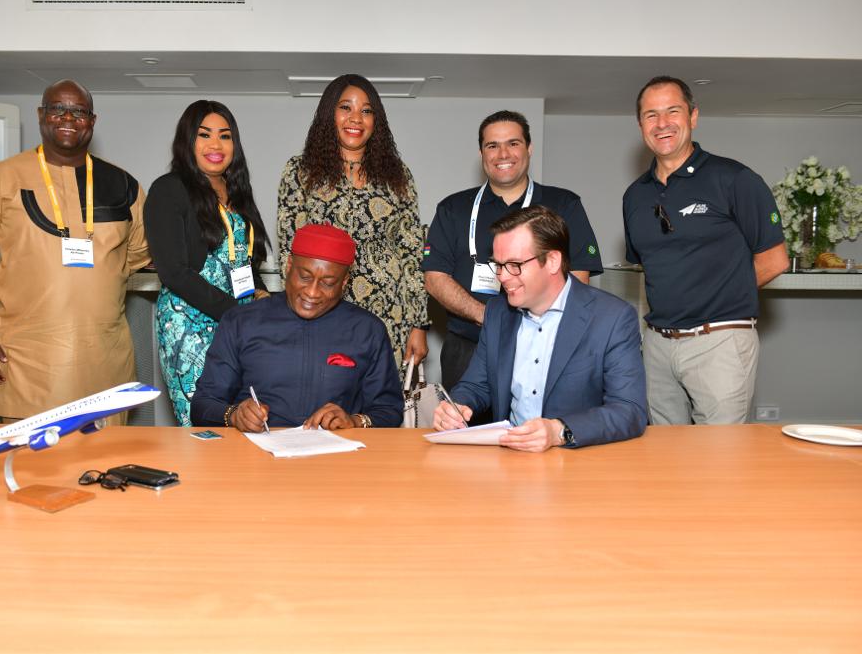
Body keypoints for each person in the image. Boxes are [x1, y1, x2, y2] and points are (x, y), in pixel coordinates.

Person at [0, 79, 150, 421]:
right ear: (42, 115)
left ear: (92, 121)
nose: (68, 118)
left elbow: (137, 253)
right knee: (32, 468)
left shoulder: (124, 185)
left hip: (104, 356)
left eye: (78, 111)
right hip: (29, 360)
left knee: (107, 467)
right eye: (58, 109)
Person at [623, 76, 789, 425]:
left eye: (673, 111)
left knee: (719, 461)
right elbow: (651, 269)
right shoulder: (634, 196)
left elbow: (774, 261)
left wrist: (713, 300)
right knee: (663, 458)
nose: (662, 123)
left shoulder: (734, 179)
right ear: (640, 125)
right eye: (651, 115)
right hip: (657, 346)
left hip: (719, 342)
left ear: (693, 116)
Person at [433, 207, 647, 451]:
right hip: (510, 460)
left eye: (514, 264)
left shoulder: (612, 318)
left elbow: (629, 410)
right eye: (498, 265)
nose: (502, 276)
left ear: (553, 261)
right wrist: (457, 406)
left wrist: (559, 431)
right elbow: (476, 385)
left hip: (579, 462)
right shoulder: (498, 313)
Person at [423, 110, 603, 394]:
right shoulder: (453, 209)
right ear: (481, 153)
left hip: (543, 348)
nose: (502, 153)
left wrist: (534, 325)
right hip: (468, 349)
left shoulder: (564, 204)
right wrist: (489, 318)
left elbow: (578, 278)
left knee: (537, 431)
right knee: (461, 434)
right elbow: (434, 278)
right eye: (492, 145)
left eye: (513, 143)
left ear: (529, 148)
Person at [276, 74, 429, 368]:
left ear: (376, 121)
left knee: (380, 405)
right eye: (345, 107)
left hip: (389, 315)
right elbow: (289, 251)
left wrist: (418, 324)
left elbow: (411, 254)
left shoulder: (398, 175)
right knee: (325, 400)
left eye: (366, 110)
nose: (356, 118)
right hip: (324, 309)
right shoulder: (300, 171)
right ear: (329, 114)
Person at [191, 224, 403, 432]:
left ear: (344, 282)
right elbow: (203, 405)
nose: (312, 292)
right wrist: (234, 415)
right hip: (255, 457)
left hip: (337, 458)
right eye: (305, 277)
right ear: (289, 265)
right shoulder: (241, 322)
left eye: (328, 283)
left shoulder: (367, 330)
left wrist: (355, 421)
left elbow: (390, 409)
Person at [144, 101, 271, 425]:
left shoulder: (238, 191)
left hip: (239, 323)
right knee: (203, 422)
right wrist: (236, 313)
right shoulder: (168, 189)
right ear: (188, 141)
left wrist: (260, 294)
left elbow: (242, 257)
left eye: (225, 136)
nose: (215, 145)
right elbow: (175, 272)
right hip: (190, 323)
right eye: (204, 135)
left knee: (245, 419)